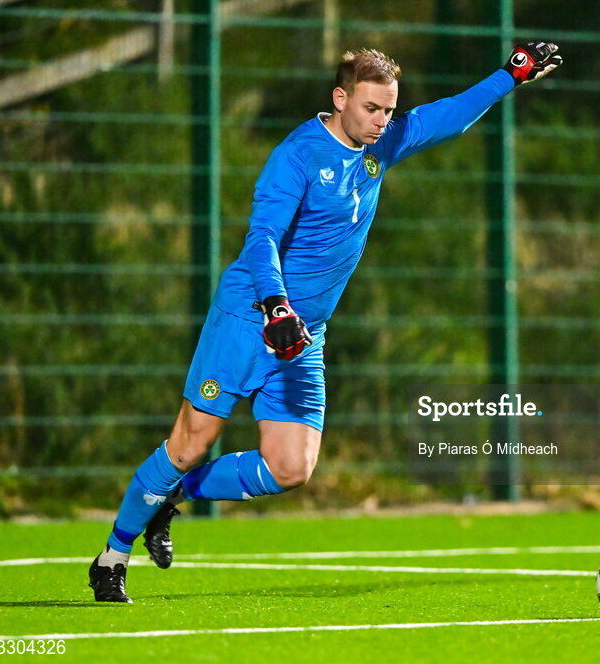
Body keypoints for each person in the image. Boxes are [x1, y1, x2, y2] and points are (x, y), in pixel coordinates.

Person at [88, 42, 563, 603]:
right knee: (189, 443)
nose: (382, 121)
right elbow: (262, 239)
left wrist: (510, 76)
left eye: (389, 109)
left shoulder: (381, 145)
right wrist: (276, 306)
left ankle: (171, 497)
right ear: (341, 99)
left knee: (291, 468)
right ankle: (111, 558)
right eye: (370, 108)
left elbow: (447, 115)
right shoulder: (297, 156)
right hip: (250, 318)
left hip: (302, 337)